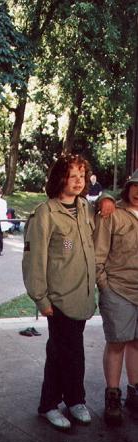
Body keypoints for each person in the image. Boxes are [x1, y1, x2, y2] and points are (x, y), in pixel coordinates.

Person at [22, 154, 99, 430]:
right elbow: (34, 259)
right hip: (58, 298)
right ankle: (49, 404)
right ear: (59, 178)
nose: (78, 181)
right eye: (72, 175)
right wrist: (40, 298)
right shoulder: (46, 212)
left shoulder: (86, 208)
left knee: (72, 350)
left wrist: (107, 201)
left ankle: (74, 399)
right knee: (61, 352)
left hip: (82, 297)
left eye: (82, 175)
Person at [94, 169, 138, 425]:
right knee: (117, 343)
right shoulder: (112, 213)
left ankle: (134, 390)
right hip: (117, 290)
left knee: (136, 342)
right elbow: (99, 253)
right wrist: (104, 286)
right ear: (128, 186)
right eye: (135, 186)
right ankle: (113, 395)